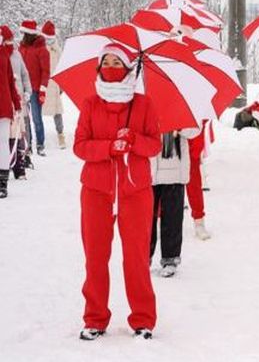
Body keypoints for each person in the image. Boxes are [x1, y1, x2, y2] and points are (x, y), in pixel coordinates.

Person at [73, 43, 159, 340]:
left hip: (135, 191)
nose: (110, 66)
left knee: (135, 257)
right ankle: (95, 318)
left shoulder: (144, 104)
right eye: (105, 61)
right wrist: (109, 147)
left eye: (116, 62)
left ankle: (143, 319)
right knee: (95, 257)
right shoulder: (89, 104)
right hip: (97, 190)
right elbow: (80, 145)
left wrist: (133, 140)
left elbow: (155, 145)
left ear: (128, 67)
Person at [150, 129, 196, 277]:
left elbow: (195, 130)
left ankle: (170, 258)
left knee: (172, 217)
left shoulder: (182, 109)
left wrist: (179, 127)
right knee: (145, 219)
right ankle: (144, 256)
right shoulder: (142, 107)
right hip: (148, 168)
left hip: (175, 169)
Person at [3, 25, 31, 180]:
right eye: (7, 40)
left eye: (10, 39)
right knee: (4, 136)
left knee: (18, 134)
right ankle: (5, 166)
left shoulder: (16, 55)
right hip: (4, 102)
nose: (10, 42)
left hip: (18, 99)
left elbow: (25, 75)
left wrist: (27, 92)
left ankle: (19, 167)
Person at [18, 20, 50, 156]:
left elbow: (46, 71)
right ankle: (28, 145)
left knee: (36, 118)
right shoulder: (21, 48)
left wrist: (43, 88)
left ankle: (40, 144)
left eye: (25, 33)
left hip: (36, 89)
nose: (23, 36)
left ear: (30, 34)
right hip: (23, 89)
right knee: (25, 119)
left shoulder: (42, 50)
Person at [0, 27, 21, 198]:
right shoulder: (4, 55)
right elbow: (10, 81)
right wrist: (16, 102)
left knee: (2, 143)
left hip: (3, 104)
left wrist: (17, 102)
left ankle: (2, 183)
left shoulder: (4, 55)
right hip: (4, 104)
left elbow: (10, 81)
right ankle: (2, 183)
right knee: (2, 143)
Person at [40, 21, 67, 149]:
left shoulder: (57, 49)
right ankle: (38, 138)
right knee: (36, 110)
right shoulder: (39, 48)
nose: (48, 40)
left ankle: (60, 134)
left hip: (54, 84)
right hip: (43, 83)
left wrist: (61, 85)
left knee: (57, 111)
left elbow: (61, 67)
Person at [186, 121, 212, 240]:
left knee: (194, 185)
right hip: (169, 140)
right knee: (165, 184)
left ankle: (199, 221)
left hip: (192, 142)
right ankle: (160, 220)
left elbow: (204, 117)